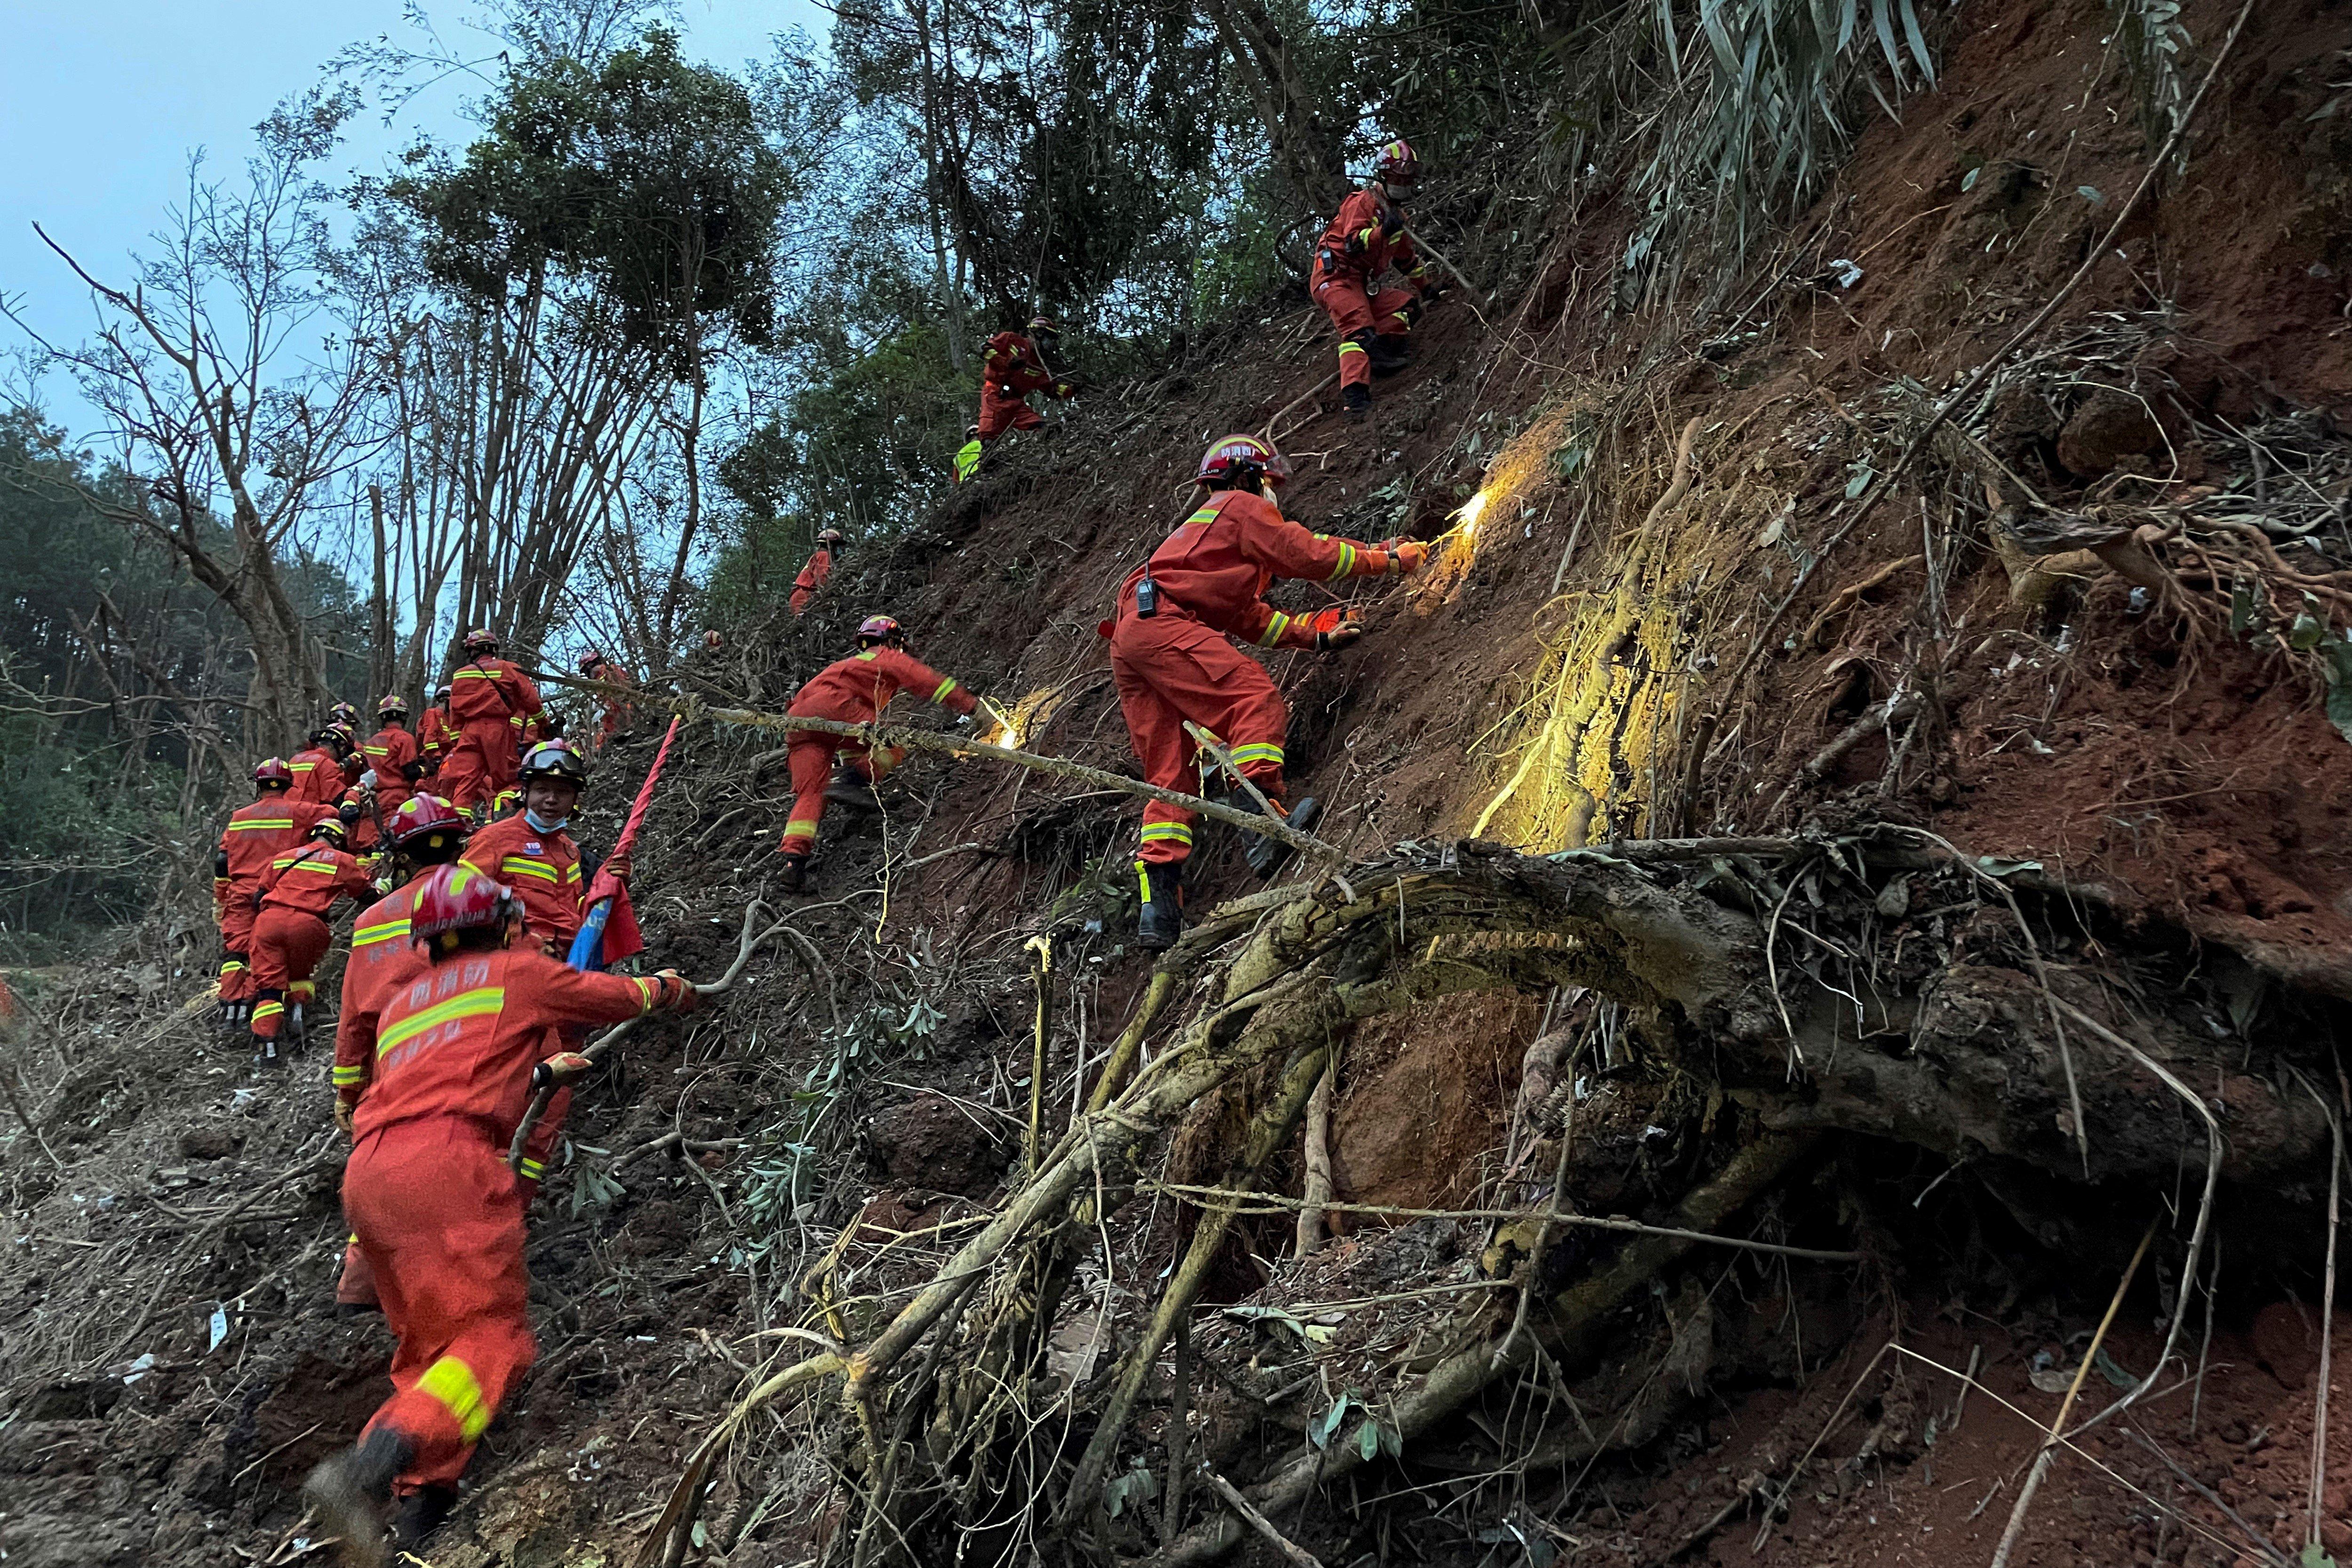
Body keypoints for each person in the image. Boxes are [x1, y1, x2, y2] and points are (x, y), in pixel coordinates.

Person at [302, 864, 697, 1564]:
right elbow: (611, 995)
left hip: (370, 1173)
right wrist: (668, 989)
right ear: (504, 922)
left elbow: (448, 1064)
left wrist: (535, 1073)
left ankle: (421, 1510)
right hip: (448, 1162)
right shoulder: (516, 971)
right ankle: (370, 1461)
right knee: (493, 1340)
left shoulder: (402, 999)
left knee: (429, 1345)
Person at [1106, 434, 1425, 948]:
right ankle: (1262, 819)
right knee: (1251, 697)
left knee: (1170, 777)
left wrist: (1316, 637)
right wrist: (1386, 560)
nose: (1274, 495)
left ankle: (1157, 909)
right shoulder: (1238, 506)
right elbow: (1307, 554)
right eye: (1271, 484)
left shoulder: (1207, 549)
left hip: (1135, 634)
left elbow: (1252, 621)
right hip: (1161, 623)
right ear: (1250, 478)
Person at [329, 793, 475, 1315]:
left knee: (386, 1172)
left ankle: (359, 1294)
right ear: (459, 847)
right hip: (465, 1056)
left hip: (393, 1068)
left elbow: (355, 1021)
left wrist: (348, 1092)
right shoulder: (484, 898)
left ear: (400, 856)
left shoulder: (372, 922)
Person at [775, 615, 979, 893]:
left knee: (811, 792)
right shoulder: (883, 656)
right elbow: (929, 682)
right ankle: (854, 782)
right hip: (835, 705)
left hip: (798, 719)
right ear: (891, 640)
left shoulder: (847, 667)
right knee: (895, 741)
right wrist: (971, 706)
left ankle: (793, 864)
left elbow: (852, 742)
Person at [1310, 139, 1441, 418]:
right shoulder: (1363, 202)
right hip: (1336, 278)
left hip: (1358, 283)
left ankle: (1381, 354)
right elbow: (1354, 242)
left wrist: (1427, 290)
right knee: (1357, 331)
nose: (1403, 182)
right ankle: (1355, 400)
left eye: (1408, 177)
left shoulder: (1397, 217)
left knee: (1406, 306)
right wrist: (1383, 230)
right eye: (1397, 176)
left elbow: (1407, 262)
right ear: (1383, 175)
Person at [458, 740, 622, 951]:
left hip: (566, 961)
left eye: (562, 792)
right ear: (525, 793)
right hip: (512, 961)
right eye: (542, 790)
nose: (551, 800)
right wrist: (523, 941)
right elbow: (461, 904)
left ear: (574, 799)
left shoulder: (570, 851)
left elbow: (575, 913)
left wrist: (609, 885)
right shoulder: (493, 839)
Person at [214, 759, 335, 1030]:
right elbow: (333, 815)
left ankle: (233, 1009)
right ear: (289, 785)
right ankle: (284, 1010)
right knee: (275, 954)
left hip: (241, 893)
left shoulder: (239, 817)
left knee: (237, 952)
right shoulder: (300, 811)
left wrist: (221, 893)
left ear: (258, 786)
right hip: (277, 895)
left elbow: (223, 860)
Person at [249, 815, 375, 1065]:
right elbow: (366, 895)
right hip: (309, 924)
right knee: (300, 975)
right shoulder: (343, 860)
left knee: (269, 988)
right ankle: (298, 1013)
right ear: (338, 840)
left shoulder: (284, 857)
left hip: (269, 921)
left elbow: (258, 897)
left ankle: (269, 1051)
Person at [438, 630, 553, 820]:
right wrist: (543, 723)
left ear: (472, 650)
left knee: (466, 783)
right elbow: (530, 700)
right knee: (507, 780)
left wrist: (457, 741)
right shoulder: (508, 669)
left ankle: (459, 826)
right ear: (493, 649)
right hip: (497, 729)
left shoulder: (460, 676)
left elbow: (455, 712)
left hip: (469, 732)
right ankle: (498, 821)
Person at [954, 317, 1074, 480]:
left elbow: (1050, 388)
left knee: (1046, 426)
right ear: (1038, 333)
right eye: (1049, 338)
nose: (1050, 344)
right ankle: (987, 470)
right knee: (988, 435)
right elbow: (987, 350)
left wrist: (1070, 391)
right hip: (995, 394)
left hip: (1016, 403)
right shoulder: (1012, 340)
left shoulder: (1039, 364)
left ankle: (1054, 457)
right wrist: (1007, 363)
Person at [290, 722, 362, 809]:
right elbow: (337, 799)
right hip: (312, 816)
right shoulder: (327, 764)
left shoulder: (294, 759)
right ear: (342, 747)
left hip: (289, 814)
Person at [577, 649, 635, 754]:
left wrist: (605, 707)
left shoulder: (607, 672)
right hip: (620, 715)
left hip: (624, 714)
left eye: (587, 671)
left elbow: (616, 696)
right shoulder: (606, 674)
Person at [790, 528, 846, 616]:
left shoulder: (818, 556)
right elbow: (821, 578)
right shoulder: (824, 555)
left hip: (801, 595)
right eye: (838, 546)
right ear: (831, 546)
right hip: (805, 596)